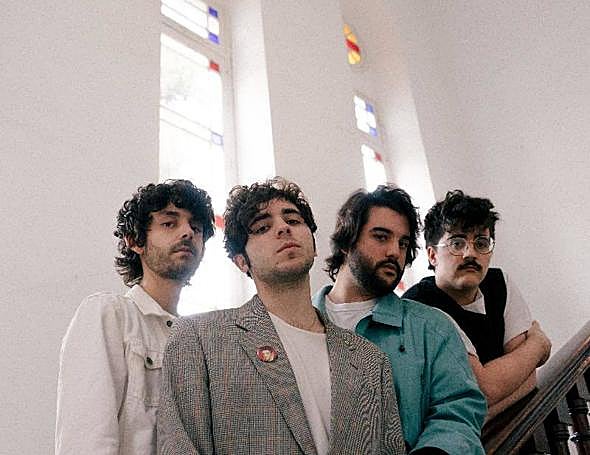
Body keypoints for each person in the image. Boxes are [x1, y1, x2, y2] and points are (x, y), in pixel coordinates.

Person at [157, 177, 406, 455]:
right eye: (263, 227)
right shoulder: (199, 338)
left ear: (314, 244)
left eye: (294, 220)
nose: (283, 228)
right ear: (242, 261)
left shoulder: (370, 359)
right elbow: (179, 446)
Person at [313, 185, 487, 454]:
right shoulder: (299, 326)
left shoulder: (432, 328)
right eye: (381, 237)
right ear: (347, 242)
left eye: (403, 243)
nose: (395, 251)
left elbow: (459, 412)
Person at [55, 180, 215, 454]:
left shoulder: (200, 339)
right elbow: (86, 439)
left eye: (196, 228)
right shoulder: (110, 314)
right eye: (169, 223)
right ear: (135, 241)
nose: (187, 232)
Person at [403, 190, 551, 418]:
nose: (470, 253)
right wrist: (538, 344)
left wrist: (484, 412)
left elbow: (528, 376)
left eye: (481, 243)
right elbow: (484, 389)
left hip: (513, 424)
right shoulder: (418, 307)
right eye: (457, 243)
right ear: (432, 255)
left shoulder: (500, 283)